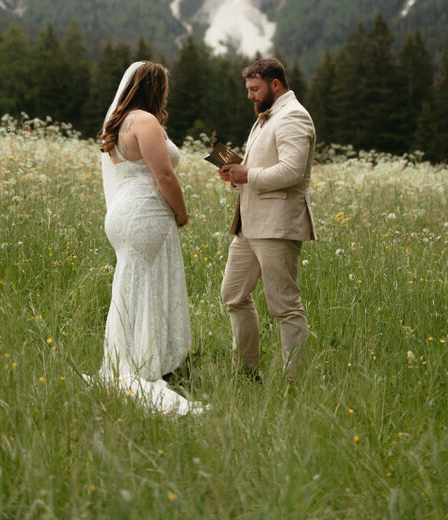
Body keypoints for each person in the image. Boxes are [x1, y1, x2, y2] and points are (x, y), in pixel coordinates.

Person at [93, 60, 202, 415]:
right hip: (146, 212)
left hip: (123, 212)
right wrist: (182, 212)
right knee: (148, 286)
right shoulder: (146, 121)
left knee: (130, 286)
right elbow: (164, 176)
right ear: (155, 87)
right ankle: (144, 365)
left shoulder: (119, 123)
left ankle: (127, 360)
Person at [219, 57, 316, 379]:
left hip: (277, 223)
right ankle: (246, 372)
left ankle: (294, 381)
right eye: (248, 89)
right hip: (249, 224)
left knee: (285, 306)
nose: (250, 95)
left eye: (254, 89)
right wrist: (236, 173)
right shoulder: (265, 117)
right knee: (233, 295)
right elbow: (261, 166)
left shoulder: (294, 117)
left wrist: (248, 174)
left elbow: (292, 171)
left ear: (275, 84)